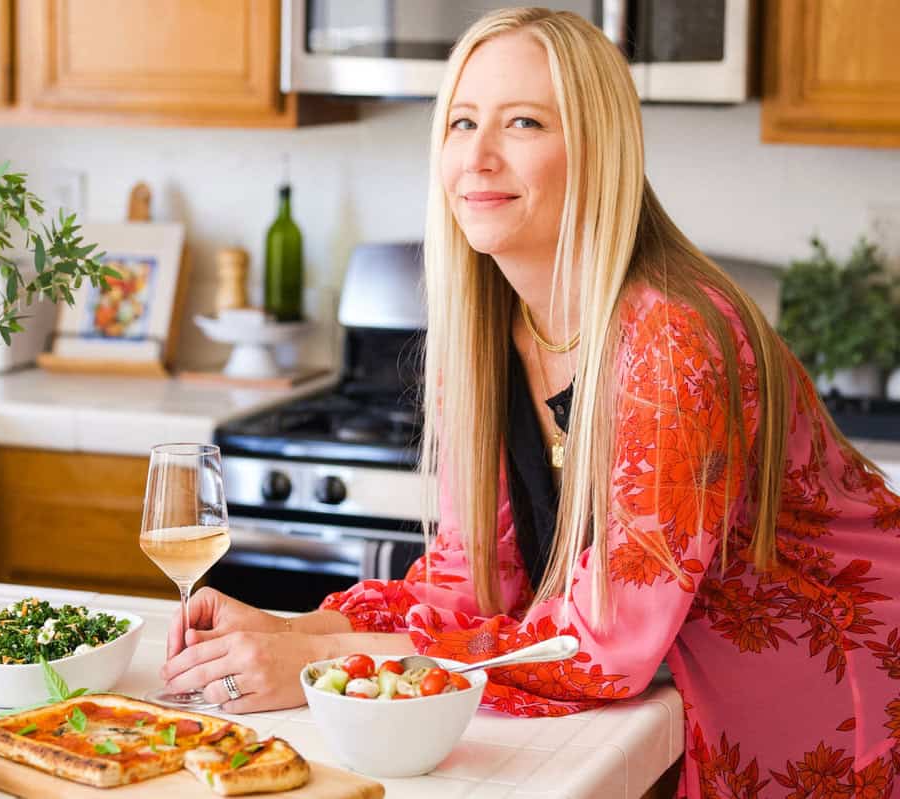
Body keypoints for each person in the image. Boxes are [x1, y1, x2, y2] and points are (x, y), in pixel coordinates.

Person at [160, 8, 900, 796]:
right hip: (687, 695)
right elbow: (468, 585)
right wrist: (292, 627)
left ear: (596, 151)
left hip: (834, 686)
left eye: (522, 122)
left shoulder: (670, 337)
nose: (476, 156)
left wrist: (320, 661)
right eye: (461, 121)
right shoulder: (487, 334)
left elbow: (603, 648)